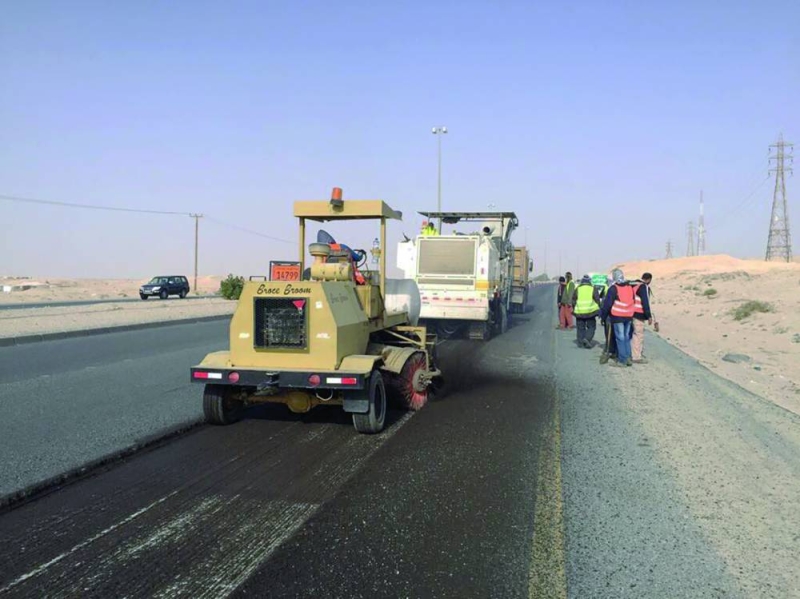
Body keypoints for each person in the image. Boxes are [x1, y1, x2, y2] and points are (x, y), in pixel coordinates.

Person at [600, 268, 635, 367]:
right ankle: (628, 357)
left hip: (618, 316)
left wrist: (603, 317)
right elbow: (633, 300)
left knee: (620, 338)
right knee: (626, 337)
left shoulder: (614, 288)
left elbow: (607, 304)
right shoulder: (629, 287)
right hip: (628, 316)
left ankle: (622, 360)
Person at [631, 272, 655, 363]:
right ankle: (636, 357)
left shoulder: (634, 285)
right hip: (639, 313)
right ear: (649, 280)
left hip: (630, 312)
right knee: (638, 335)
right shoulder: (643, 287)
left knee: (632, 334)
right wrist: (648, 316)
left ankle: (633, 353)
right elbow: (645, 302)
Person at [572, 274, 601, 348]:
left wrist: (575, 307)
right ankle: (587, 339)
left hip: (579, 312)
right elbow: (597, 299)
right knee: (591, 327)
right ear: (589, 281)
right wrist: (598, 309)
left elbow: (573, 300)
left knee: (580, 328)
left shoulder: (578, 289)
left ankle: (581, 343)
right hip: (590, 312)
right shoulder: (592, 288)